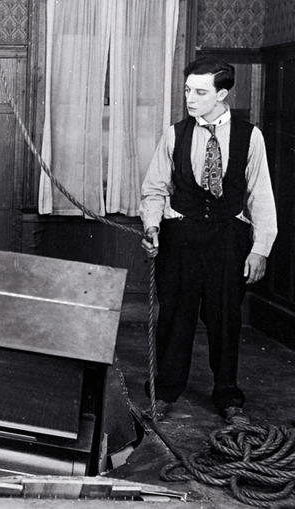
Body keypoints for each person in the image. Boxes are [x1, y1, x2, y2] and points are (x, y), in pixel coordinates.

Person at [139, 56, 277, 424]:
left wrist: (260, 248)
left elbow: (260, 196)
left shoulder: (251, 137)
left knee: (225, 320)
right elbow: (154, 189)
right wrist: (152, 225)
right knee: (175, 319)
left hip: (227, 242)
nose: (190, 98)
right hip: (180, 240)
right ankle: (165, 392)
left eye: (200, 92)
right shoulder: (175, 134)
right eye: (187, 90)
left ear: (222, 93)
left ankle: (228, 397)